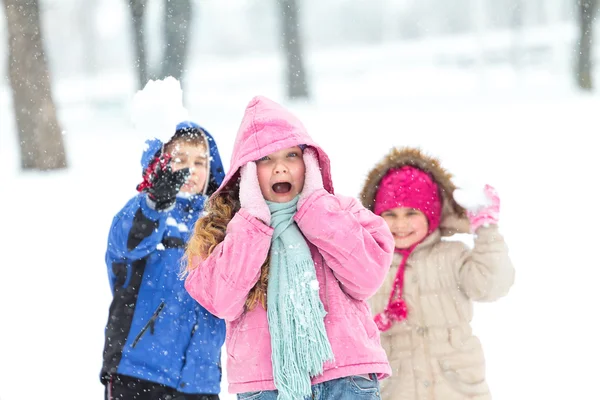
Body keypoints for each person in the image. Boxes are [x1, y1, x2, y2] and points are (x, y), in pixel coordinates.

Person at [184, 95, 395, 400]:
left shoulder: (340, 211)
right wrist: (254, 223)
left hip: (346, 379)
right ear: (246, 171)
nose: (280, 168)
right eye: (265, 159)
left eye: (291, 156)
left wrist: (316, 209)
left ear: (309, 162)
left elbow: (367, 278)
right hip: (266, 387)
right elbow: (223, 301)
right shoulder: (224, 229)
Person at [360, 147, 515, 400]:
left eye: (411, 213)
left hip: (457, 390)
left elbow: (491, 285)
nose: (400, 224)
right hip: (398, 390)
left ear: (430, 214)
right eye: (390, 214)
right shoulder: (370, 263)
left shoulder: (451, 255)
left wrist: (486, 231)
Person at [101, 121, 226, 400]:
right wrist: (155, 202)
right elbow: (127, 242)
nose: (191, 170)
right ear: (160, 165)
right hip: (139, 373)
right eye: (180, 160)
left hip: (200, 380)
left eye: (200, 161)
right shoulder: (144, 211)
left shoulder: (219, 227)